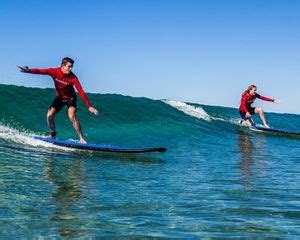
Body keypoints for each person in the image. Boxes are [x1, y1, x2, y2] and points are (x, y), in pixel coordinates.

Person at [18, 57, 99, 143]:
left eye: (72, 67)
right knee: (49, 115)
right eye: (69, 66)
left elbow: (81, 91)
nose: (71, 69)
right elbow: (41, 71)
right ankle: (52, 134)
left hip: (71, 98)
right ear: (63, 66)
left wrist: (89, 106)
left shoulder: (73, 77)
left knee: (71, 115)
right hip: (59, 98)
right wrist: (28, 70)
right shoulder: (54, 71)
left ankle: (81, 138)